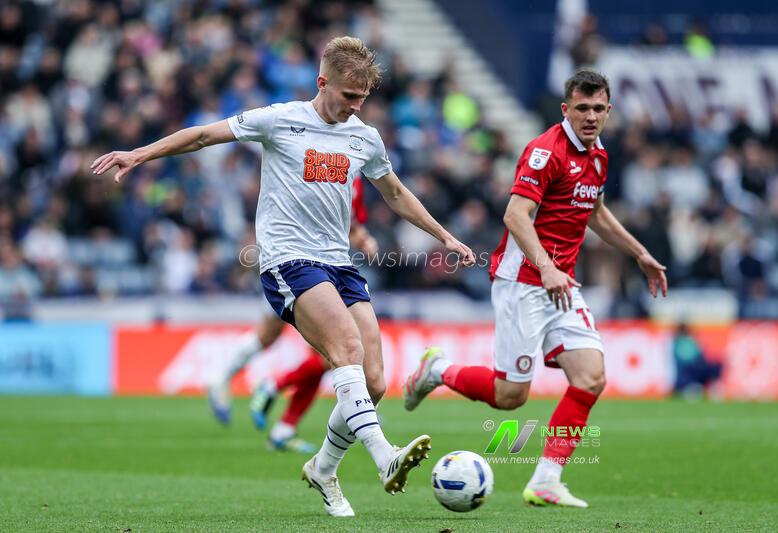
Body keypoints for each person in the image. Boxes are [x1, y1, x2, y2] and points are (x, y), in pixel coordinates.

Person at [91, 36, 475, 517]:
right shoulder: (280, 119)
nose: (355, 107)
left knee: (374, 381)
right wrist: (140, 154)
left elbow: (395, 193)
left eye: (363, 99)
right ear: (322, 82)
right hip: (288, 260)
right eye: (348, 96)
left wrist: (445, 237)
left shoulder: (363, 136)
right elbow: (205, 135)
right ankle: (385, 457)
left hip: (339, 263)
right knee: (347, 351)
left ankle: (323, 467)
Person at [403, 70, 667, 508]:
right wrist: (545, 267)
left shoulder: (599, 154)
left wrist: (638, 253)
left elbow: (594, 211)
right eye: (582, 108)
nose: (591, 116)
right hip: (523, 282)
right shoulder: (546, 152)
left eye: (599, 109)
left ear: (608, 112)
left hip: (560, 283)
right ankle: (438, 370)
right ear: (566, 109)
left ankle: (546, 480)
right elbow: (515, 216)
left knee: (590, 377)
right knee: (510, 397)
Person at [207, 177, 379, 457]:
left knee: (321, 353)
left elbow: (350, 226)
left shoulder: (352, 174)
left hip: (324, 271)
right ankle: (271, 389)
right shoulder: (315, 159)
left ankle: (282, 424)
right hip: (295, 269)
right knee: (325, 352)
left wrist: (364, 239)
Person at [672, 322, 722, 397]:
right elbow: (686, 359)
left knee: (716, 365)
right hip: (687, 371)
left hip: (697, 368)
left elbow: (701, 356)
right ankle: (691, 388)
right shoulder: (676, 342)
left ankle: (713, 387)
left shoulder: (692, 341)